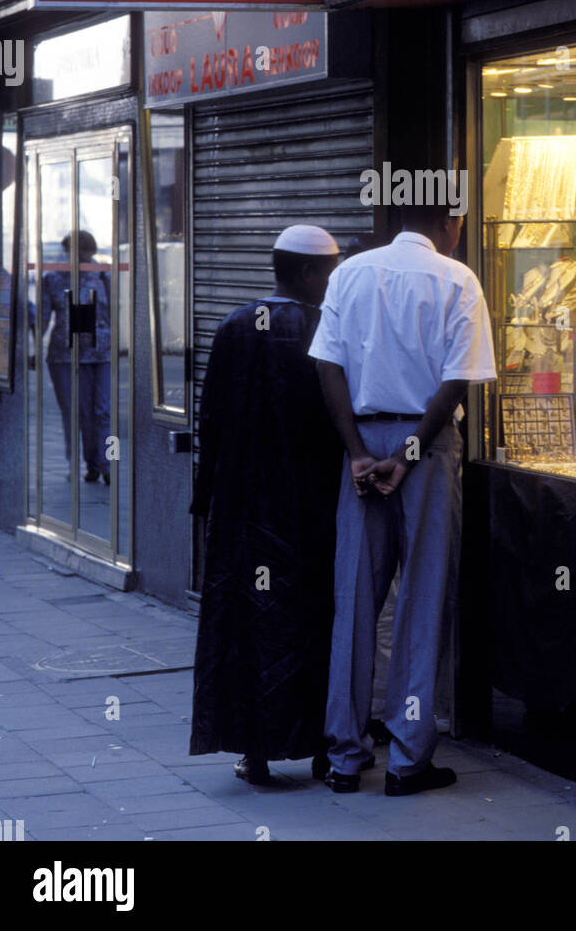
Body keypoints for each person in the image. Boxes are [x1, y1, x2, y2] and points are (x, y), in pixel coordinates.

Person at [310, 198, 496, 796]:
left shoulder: (349, 273)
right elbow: (455, 381)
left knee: (354, 597)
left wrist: (360, 453)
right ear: (449, 222)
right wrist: (409, 454)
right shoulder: (457, 279)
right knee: (422, 598)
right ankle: (408, 759)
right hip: (427, 443)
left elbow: (328, 368)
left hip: (363, 441)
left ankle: (344, 756)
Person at [189, 224, 343, 787]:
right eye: (329, 272)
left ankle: (255, 753)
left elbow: (211, 418)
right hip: (313, 506)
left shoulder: (234, 326)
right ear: (308, 273)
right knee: (317, 621)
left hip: (242, 510)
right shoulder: (325, 326)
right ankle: (326, 750)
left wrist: (206, 497)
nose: (333, 282)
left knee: (245, 627)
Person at [39, 230, 112, 485]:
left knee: (104, 410)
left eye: (85, 251)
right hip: (65, 354)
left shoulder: (103, 275)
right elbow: (42, 317)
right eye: (75, 251)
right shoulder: (54, 279)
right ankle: (86, 462)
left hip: (101, 351)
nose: (80, 256)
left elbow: (115, 312)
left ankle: (108, 463)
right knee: (78, 412)